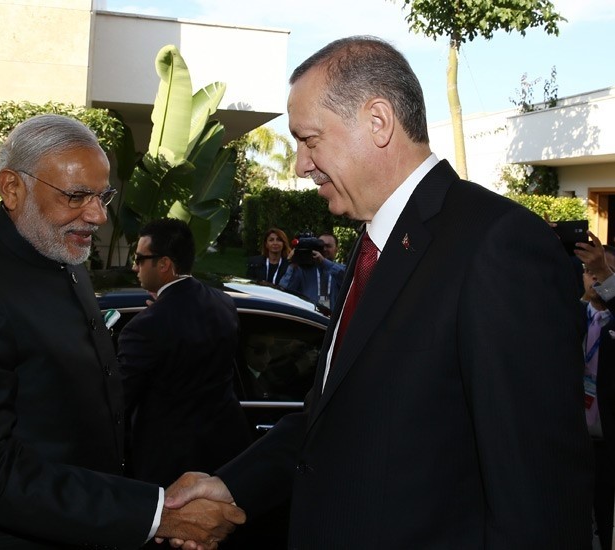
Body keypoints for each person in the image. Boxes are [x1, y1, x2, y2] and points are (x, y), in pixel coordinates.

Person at [164, 36, 593, 549]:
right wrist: (231, 484)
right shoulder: (374, 245)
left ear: (378, 121)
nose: (300, 165)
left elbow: (537, 495)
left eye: (310, 139)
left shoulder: (498, 245)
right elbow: (328, 418)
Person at [0, 114, 244, 549]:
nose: (98, 215)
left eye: (102, 195)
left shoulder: (64, 260)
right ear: (12, 188)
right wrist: (154, 515)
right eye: (77, 195)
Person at [117, 218, 252, 488]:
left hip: (170, 469)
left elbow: (118, 401)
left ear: (164, 264)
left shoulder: (145, 327)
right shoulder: (223, 303)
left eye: (140, 259)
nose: (134, 267)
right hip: (225, 457)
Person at [576, 232, 615, 550]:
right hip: (570, 441)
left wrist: (604, 270)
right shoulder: (570, 316)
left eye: (603, 273)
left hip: (607, 447)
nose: (596, 280)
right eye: (590, 272)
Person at [279, 232, 346, 310]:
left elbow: (347, 281)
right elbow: (284, 290)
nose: (324, 249)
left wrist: (324, 262)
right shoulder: (303, 270)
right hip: (309, 318)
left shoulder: (341, 269)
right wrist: (292, 264)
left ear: (336, 250)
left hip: (334, 319)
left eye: (328, 246)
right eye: (321, 245)